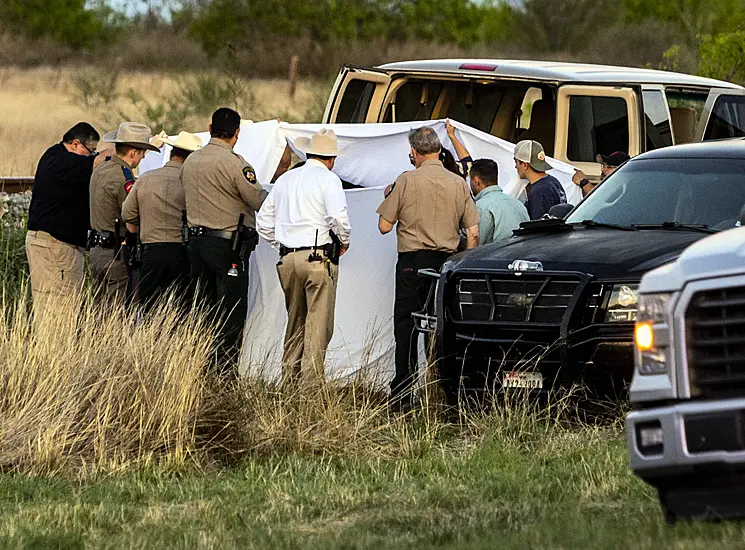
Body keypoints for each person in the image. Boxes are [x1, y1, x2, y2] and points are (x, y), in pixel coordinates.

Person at [377, 126, 480, 410]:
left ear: (414, 152)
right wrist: (464, 264)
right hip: (446, 265)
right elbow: (472, 232)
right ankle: (443, 393)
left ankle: (402, 395)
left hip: (412, 264)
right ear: (437, 149)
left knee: (406, 327)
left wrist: (393, 199)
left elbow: (384, 226)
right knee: (442, 328)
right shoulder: (459, 183)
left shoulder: (406, 180)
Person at [256, 129, 351, 387]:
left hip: (287, 259)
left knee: (295, 321)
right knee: (318, 325)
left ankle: (289, 381)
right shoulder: (329, 180)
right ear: (331, 159)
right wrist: (343, 241)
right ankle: (311, 388)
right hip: (318, 258)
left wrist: (284, 243)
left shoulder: (286, 180)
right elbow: (337, 218)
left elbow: (263, 221)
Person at [181, 107, 268, 373]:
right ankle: (225, 372)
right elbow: (256, 199)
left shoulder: (191, 161)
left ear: (210, 128)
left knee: (202, 308)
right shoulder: (235, 164)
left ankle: (198, 367)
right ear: (237, 133)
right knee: (231, 311)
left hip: (195, 244)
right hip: (226, 246)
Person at [26, 123, 110, 317]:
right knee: (61, 305)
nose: (91, 156)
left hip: (51, 244)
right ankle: (57, 346)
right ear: (75, 144)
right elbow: (98, 162)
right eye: (90, 151)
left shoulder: (53, 156)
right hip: (57, 247)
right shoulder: (63, 162)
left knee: (51, 303)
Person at [121, 131, 203, 312]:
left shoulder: (145, 179)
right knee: (181, 310)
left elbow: (128, 214)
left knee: (149, 309)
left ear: (172, 153)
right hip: (181, 252)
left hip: (151, 252)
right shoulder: (192, 182)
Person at [89, 122, 159, 305]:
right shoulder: (124, 178)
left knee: (101, 310)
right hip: (117, 253)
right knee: (120, 312)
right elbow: (131, 218)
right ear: (133, 152)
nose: (143, 157)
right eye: (142, 152)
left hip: (97, 251)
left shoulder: (100, 170)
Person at [469, 159, 529, 245]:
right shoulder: (518, 204)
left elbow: (475, 243)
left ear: (476, 181)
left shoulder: (480, 207)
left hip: (492, 257)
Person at [513, 139, 567, 220]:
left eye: (516, 162)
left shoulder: (539, 192)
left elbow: (539, 227)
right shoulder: (553, 181)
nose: (515, 166)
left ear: (524, 165)